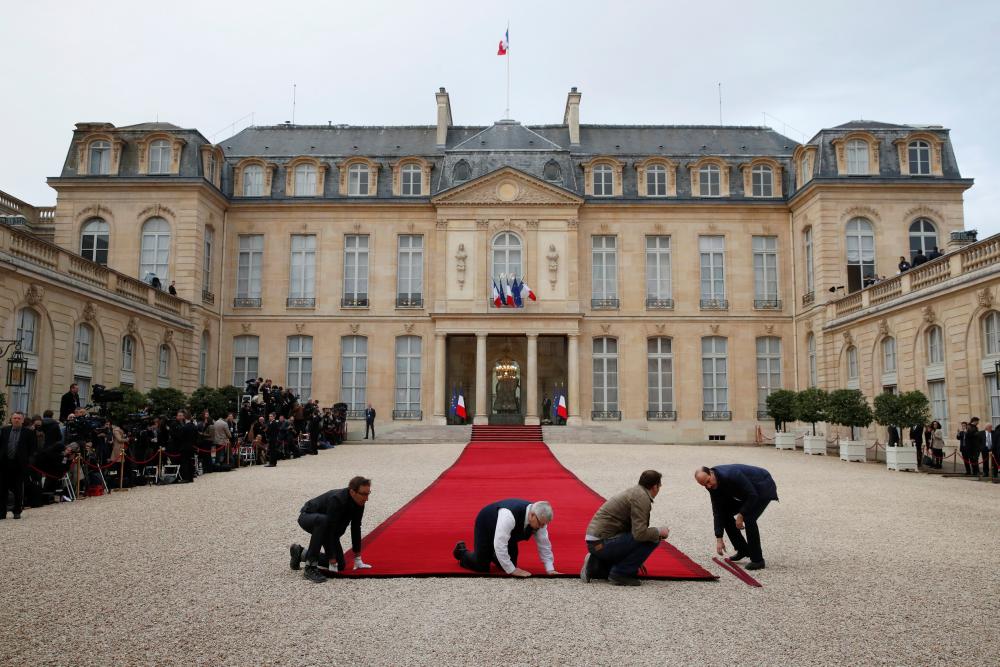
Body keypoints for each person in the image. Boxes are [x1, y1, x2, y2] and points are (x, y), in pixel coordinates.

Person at [581, 470, 669, 586]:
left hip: (597, 544)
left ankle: (595, 563)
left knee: (642, 544)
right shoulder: (642, 498)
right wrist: (659, 531)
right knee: (654, 538)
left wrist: (632, 556)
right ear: (655, 487)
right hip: (601, 544)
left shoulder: (636, 492)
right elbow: (639, 534)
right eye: (659, 486)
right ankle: (620, 574)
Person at [289, 476, 373, 583]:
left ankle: (300, 553)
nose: (367, 498)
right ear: (352, 492)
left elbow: (356, 527)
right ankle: (310, 567)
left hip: (327, 528)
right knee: (323, 521)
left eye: (368, 493)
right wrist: (331, 555)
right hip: (308, 517)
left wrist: (357, 558)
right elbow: (329, 529)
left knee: (340, 565)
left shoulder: (360, 501)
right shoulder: (337, 499)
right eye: (364, 494)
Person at [695, 464, 779, 570]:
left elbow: (752, 495)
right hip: (748, 493)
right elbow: (718, 511)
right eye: (704, 485)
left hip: (762, 487)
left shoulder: (731, 475)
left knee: (749, 518)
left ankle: (758, 560)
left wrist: (741, 514)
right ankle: (743, 549)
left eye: (708, 481)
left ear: (711, 472)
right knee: (724, 513)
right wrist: (719, 537)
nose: (708, 486)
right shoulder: (712, 484)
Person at [1, 412, 36, 519]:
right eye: (14, 418)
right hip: (5, 463)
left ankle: (17, 511)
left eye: (18, 418)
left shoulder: (28, 432)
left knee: (18, 489)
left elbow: (33, 449)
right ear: (11, 419)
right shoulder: (5, 430)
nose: (16, 420)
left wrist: (29, 462)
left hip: (20, 464)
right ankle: (2, 512)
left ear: (22, 420)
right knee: (2, 489)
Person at [172, 410, 198, 483]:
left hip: (184, 446)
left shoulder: (184, 427)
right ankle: (191, 477)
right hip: (192, 446)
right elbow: (196, 436)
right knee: (190, 462)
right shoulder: (194, 426)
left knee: (185, 463)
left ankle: (186, 477)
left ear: (185, 418)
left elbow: (180, 437)